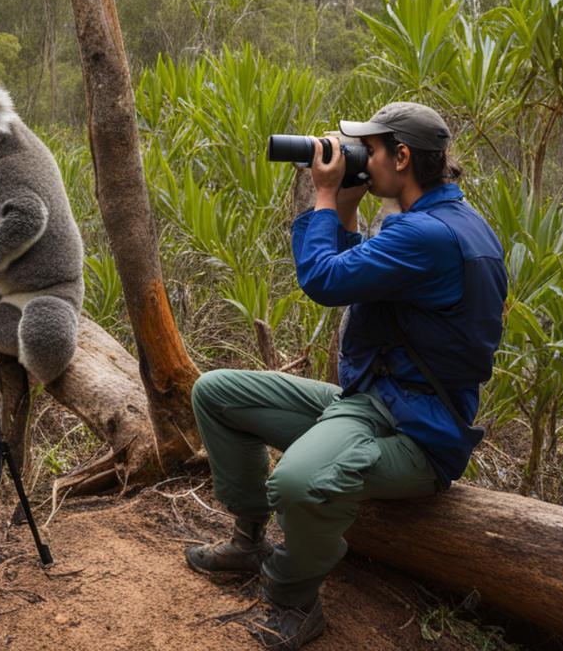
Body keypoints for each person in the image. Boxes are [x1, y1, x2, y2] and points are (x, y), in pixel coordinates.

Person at [184, 102, 507, 649]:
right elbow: (367, 274)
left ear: (401, 158)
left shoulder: (429, 234)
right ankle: (248, 540)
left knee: (297, 482)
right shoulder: (439, 221)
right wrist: (348, 209)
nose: (358, 157)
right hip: (370, 402)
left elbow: (325, 281)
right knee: (216, 393)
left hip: (418, 434)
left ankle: (294, 599)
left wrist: (325, 196)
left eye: (368, 149)